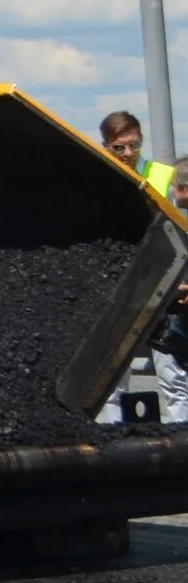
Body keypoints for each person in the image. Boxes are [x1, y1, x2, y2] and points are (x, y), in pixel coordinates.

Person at [98, 110, 187, 424]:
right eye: (119, 148)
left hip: (162, 287)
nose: (128, 154)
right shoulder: (98, 177)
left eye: (133, 146)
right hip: (117, 288)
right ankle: (111, 447)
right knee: (109, 380)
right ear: (105, 146)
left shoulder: (163, 176)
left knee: (172, 374)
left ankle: (179, 446)